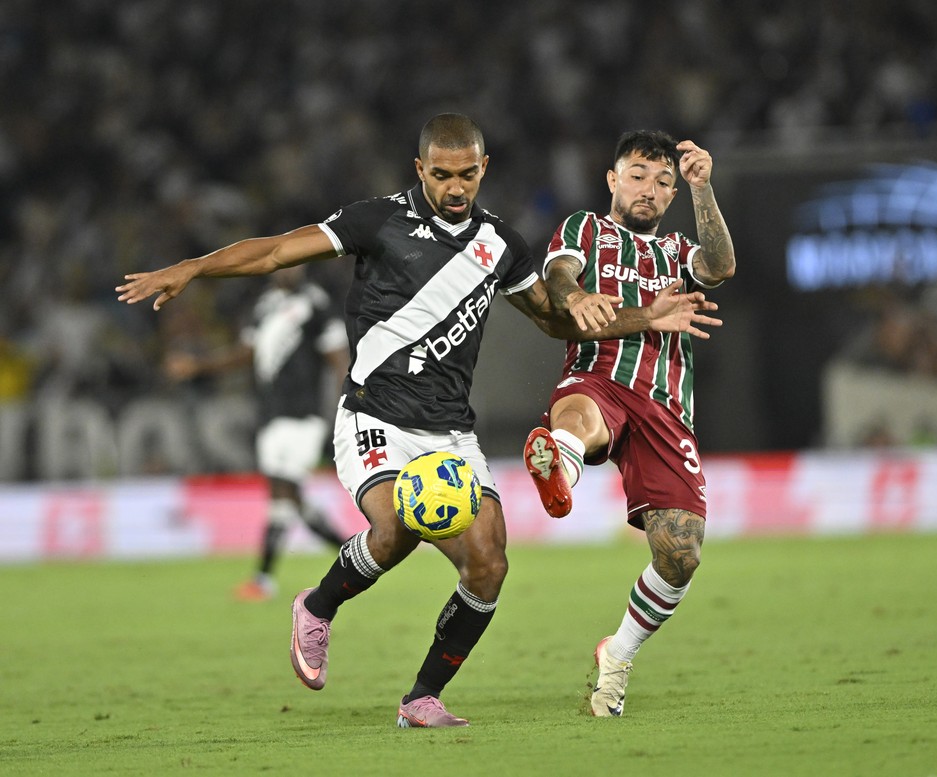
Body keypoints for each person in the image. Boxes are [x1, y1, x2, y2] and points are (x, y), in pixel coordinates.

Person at [117, 114, 721, 728]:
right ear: (419, 170)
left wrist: (639, 317)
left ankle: (422, 698)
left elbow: (555, 320)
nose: (455, 188)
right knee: (399, 522)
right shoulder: (376, 220)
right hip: (373, 414)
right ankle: (318, 606)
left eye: (466, 175)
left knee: (488, 563)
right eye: (441, 175)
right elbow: (274, 251)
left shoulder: (501, 246)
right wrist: (193, 267)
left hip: (451, 430)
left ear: (482, 169)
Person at [522, 130, 736, 717]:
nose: (650, 188)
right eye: (638, 175)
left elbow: (719, 264)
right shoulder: (584, 229)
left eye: (664, 181)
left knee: (681, 554)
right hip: (601, 375)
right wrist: (574, 298)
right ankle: (558, 462)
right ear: (613, 180)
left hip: (667, 404)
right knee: (579, 416)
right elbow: (560, 276)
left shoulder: (674, 252)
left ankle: (616, 654)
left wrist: (703, 188)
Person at [164, 264, 350, 601]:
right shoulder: (264, 306)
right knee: (287, 495)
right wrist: (199, 366)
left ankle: (264, 579)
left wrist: (344, 403)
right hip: (269, 413)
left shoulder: (316, 304)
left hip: (303, 413)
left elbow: (338, 358)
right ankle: (352, 554)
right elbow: (245, 354)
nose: (289, 270)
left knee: (284, 489)